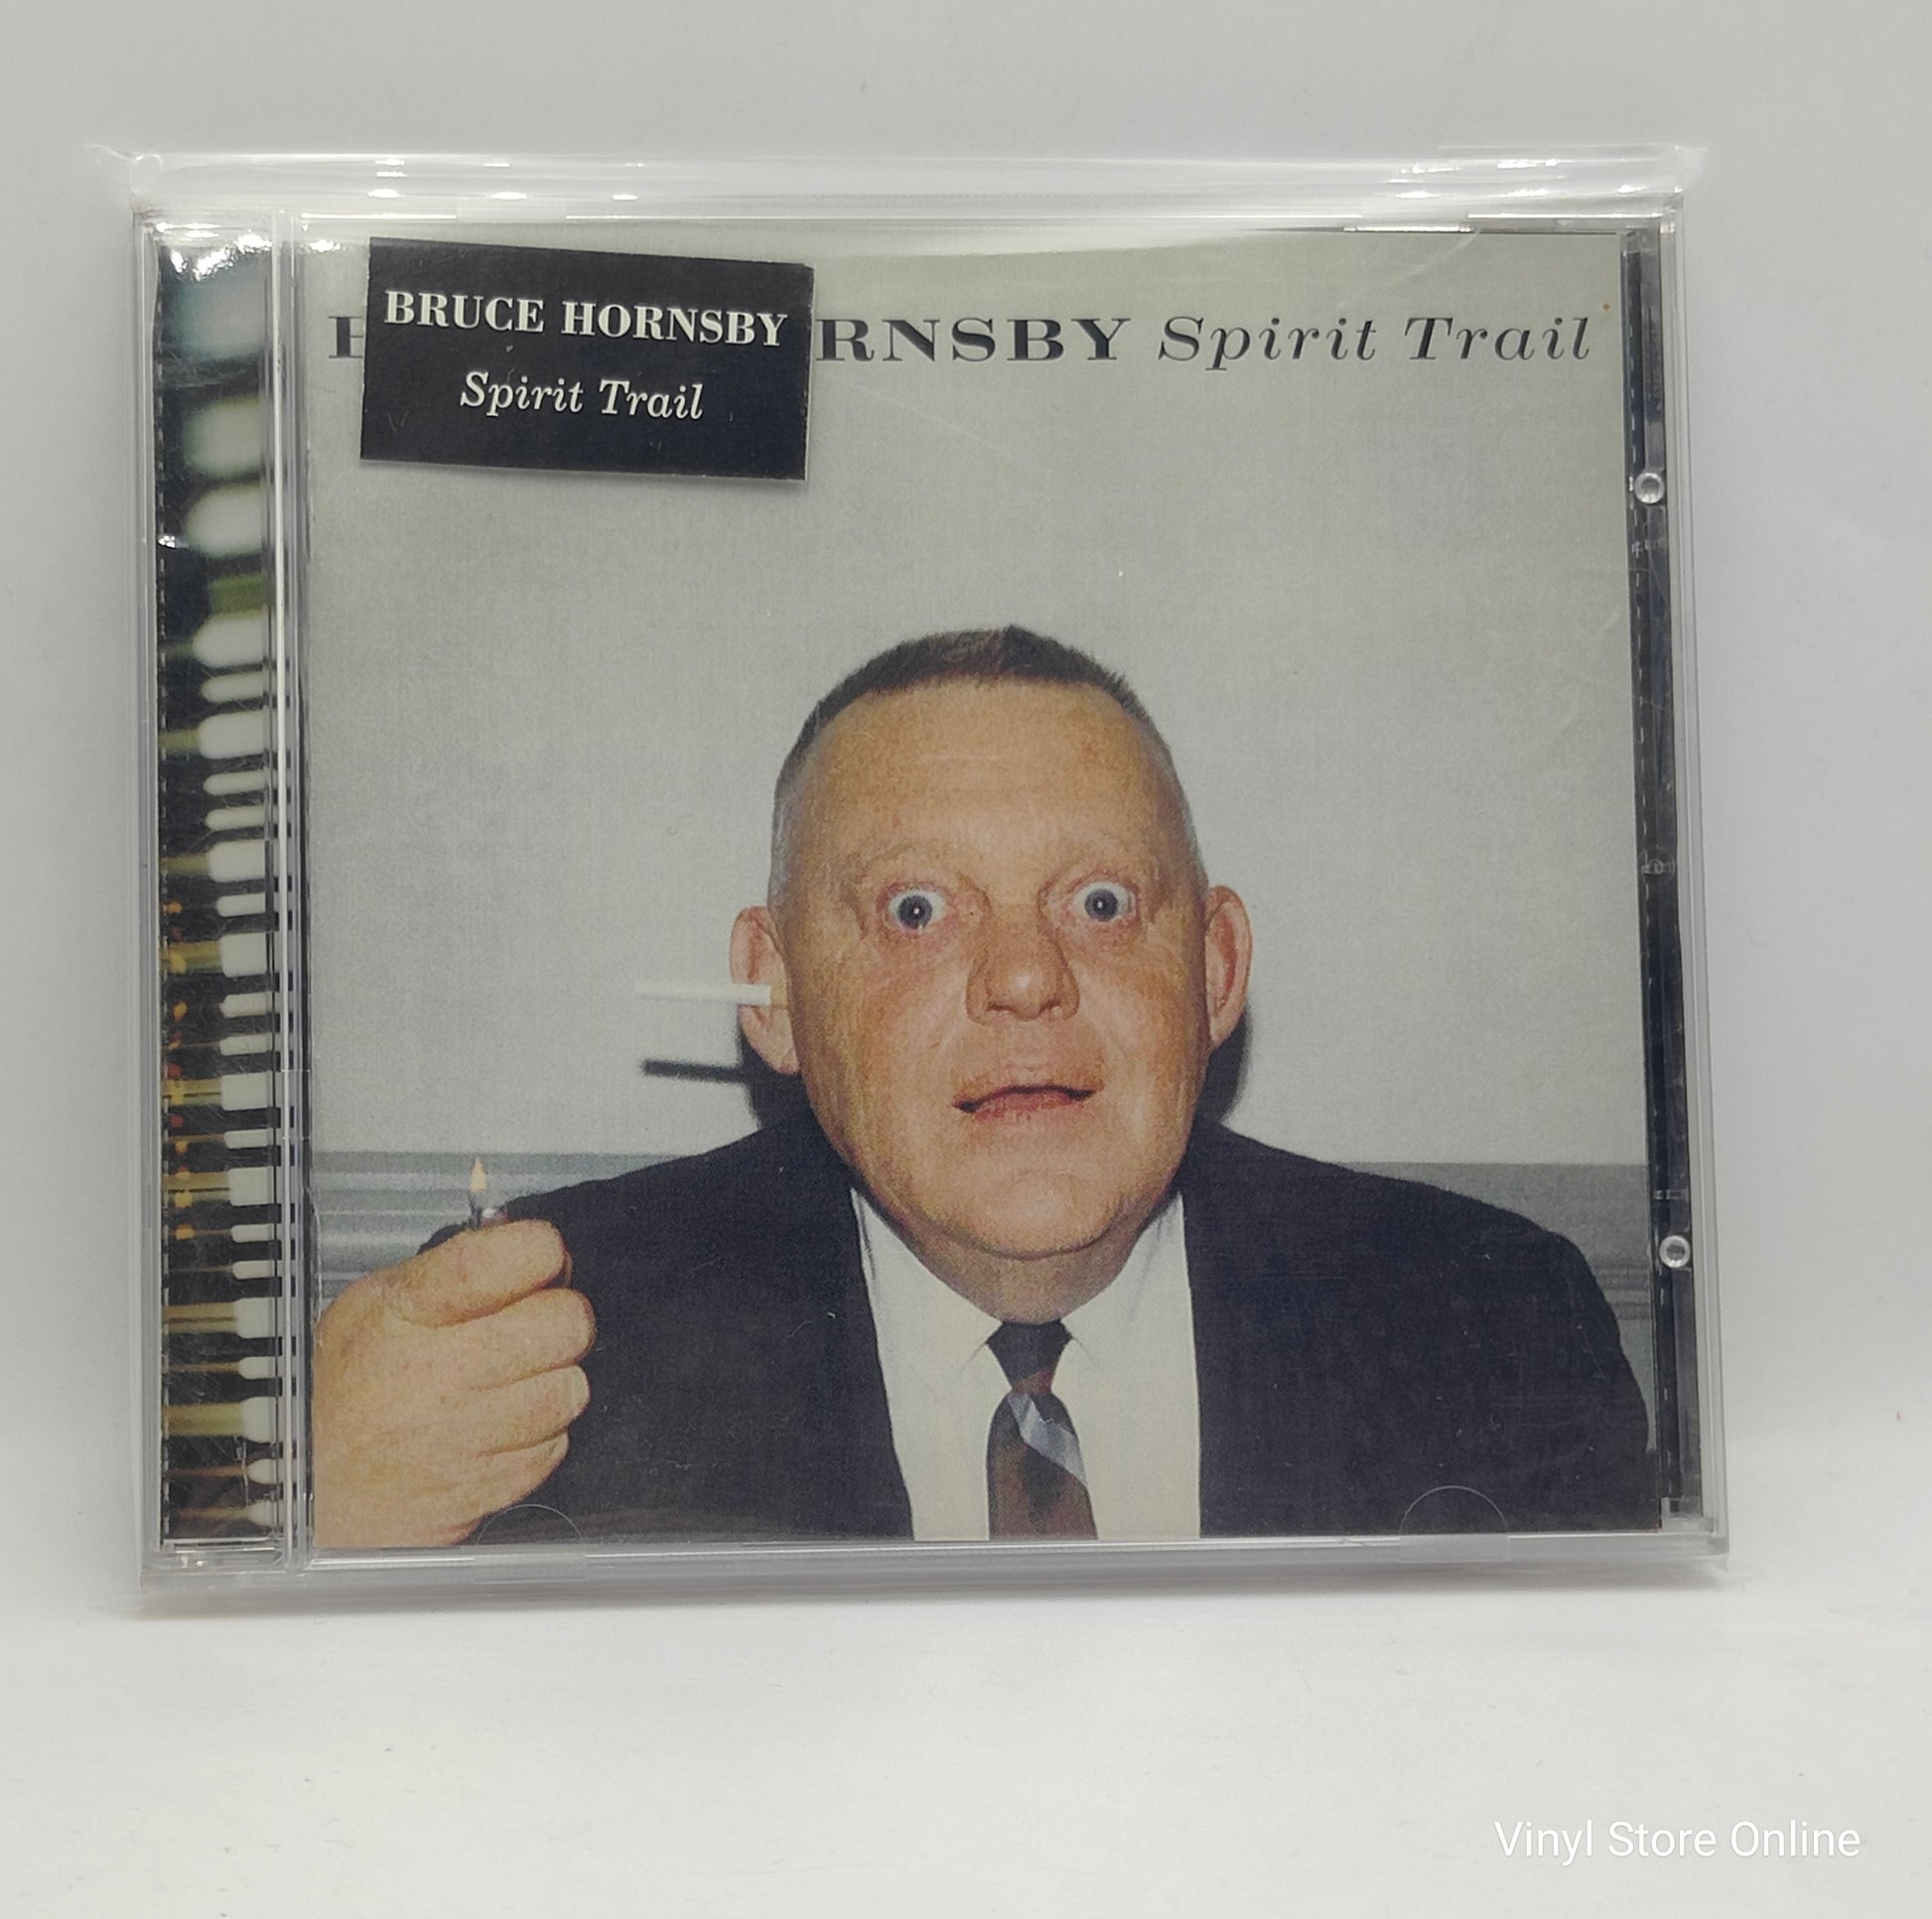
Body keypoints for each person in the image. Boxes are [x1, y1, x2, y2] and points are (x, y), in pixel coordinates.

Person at [313, 628, 1653, 1548]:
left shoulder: (1493, 1324)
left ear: (1215, 968)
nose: (1023, 978)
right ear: (773, 995)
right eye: (914, 909)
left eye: (1102, 902)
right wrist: (320, 1525)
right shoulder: (540, 1346)